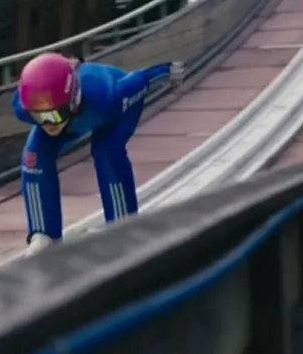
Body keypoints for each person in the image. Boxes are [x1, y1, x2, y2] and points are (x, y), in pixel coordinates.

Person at [11, 52, 185, 256]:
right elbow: (45, 114)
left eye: (53, 115)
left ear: (74, 100)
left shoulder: (110, 96)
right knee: (33, 157)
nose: (47, 124)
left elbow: (141, 78)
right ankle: (44, 233)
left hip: (114, 114)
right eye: (37, 116)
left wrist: (168, 69)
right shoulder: (25, 106)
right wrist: (51, 115)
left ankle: (121, 224)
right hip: (73, 117)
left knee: (106, 151)